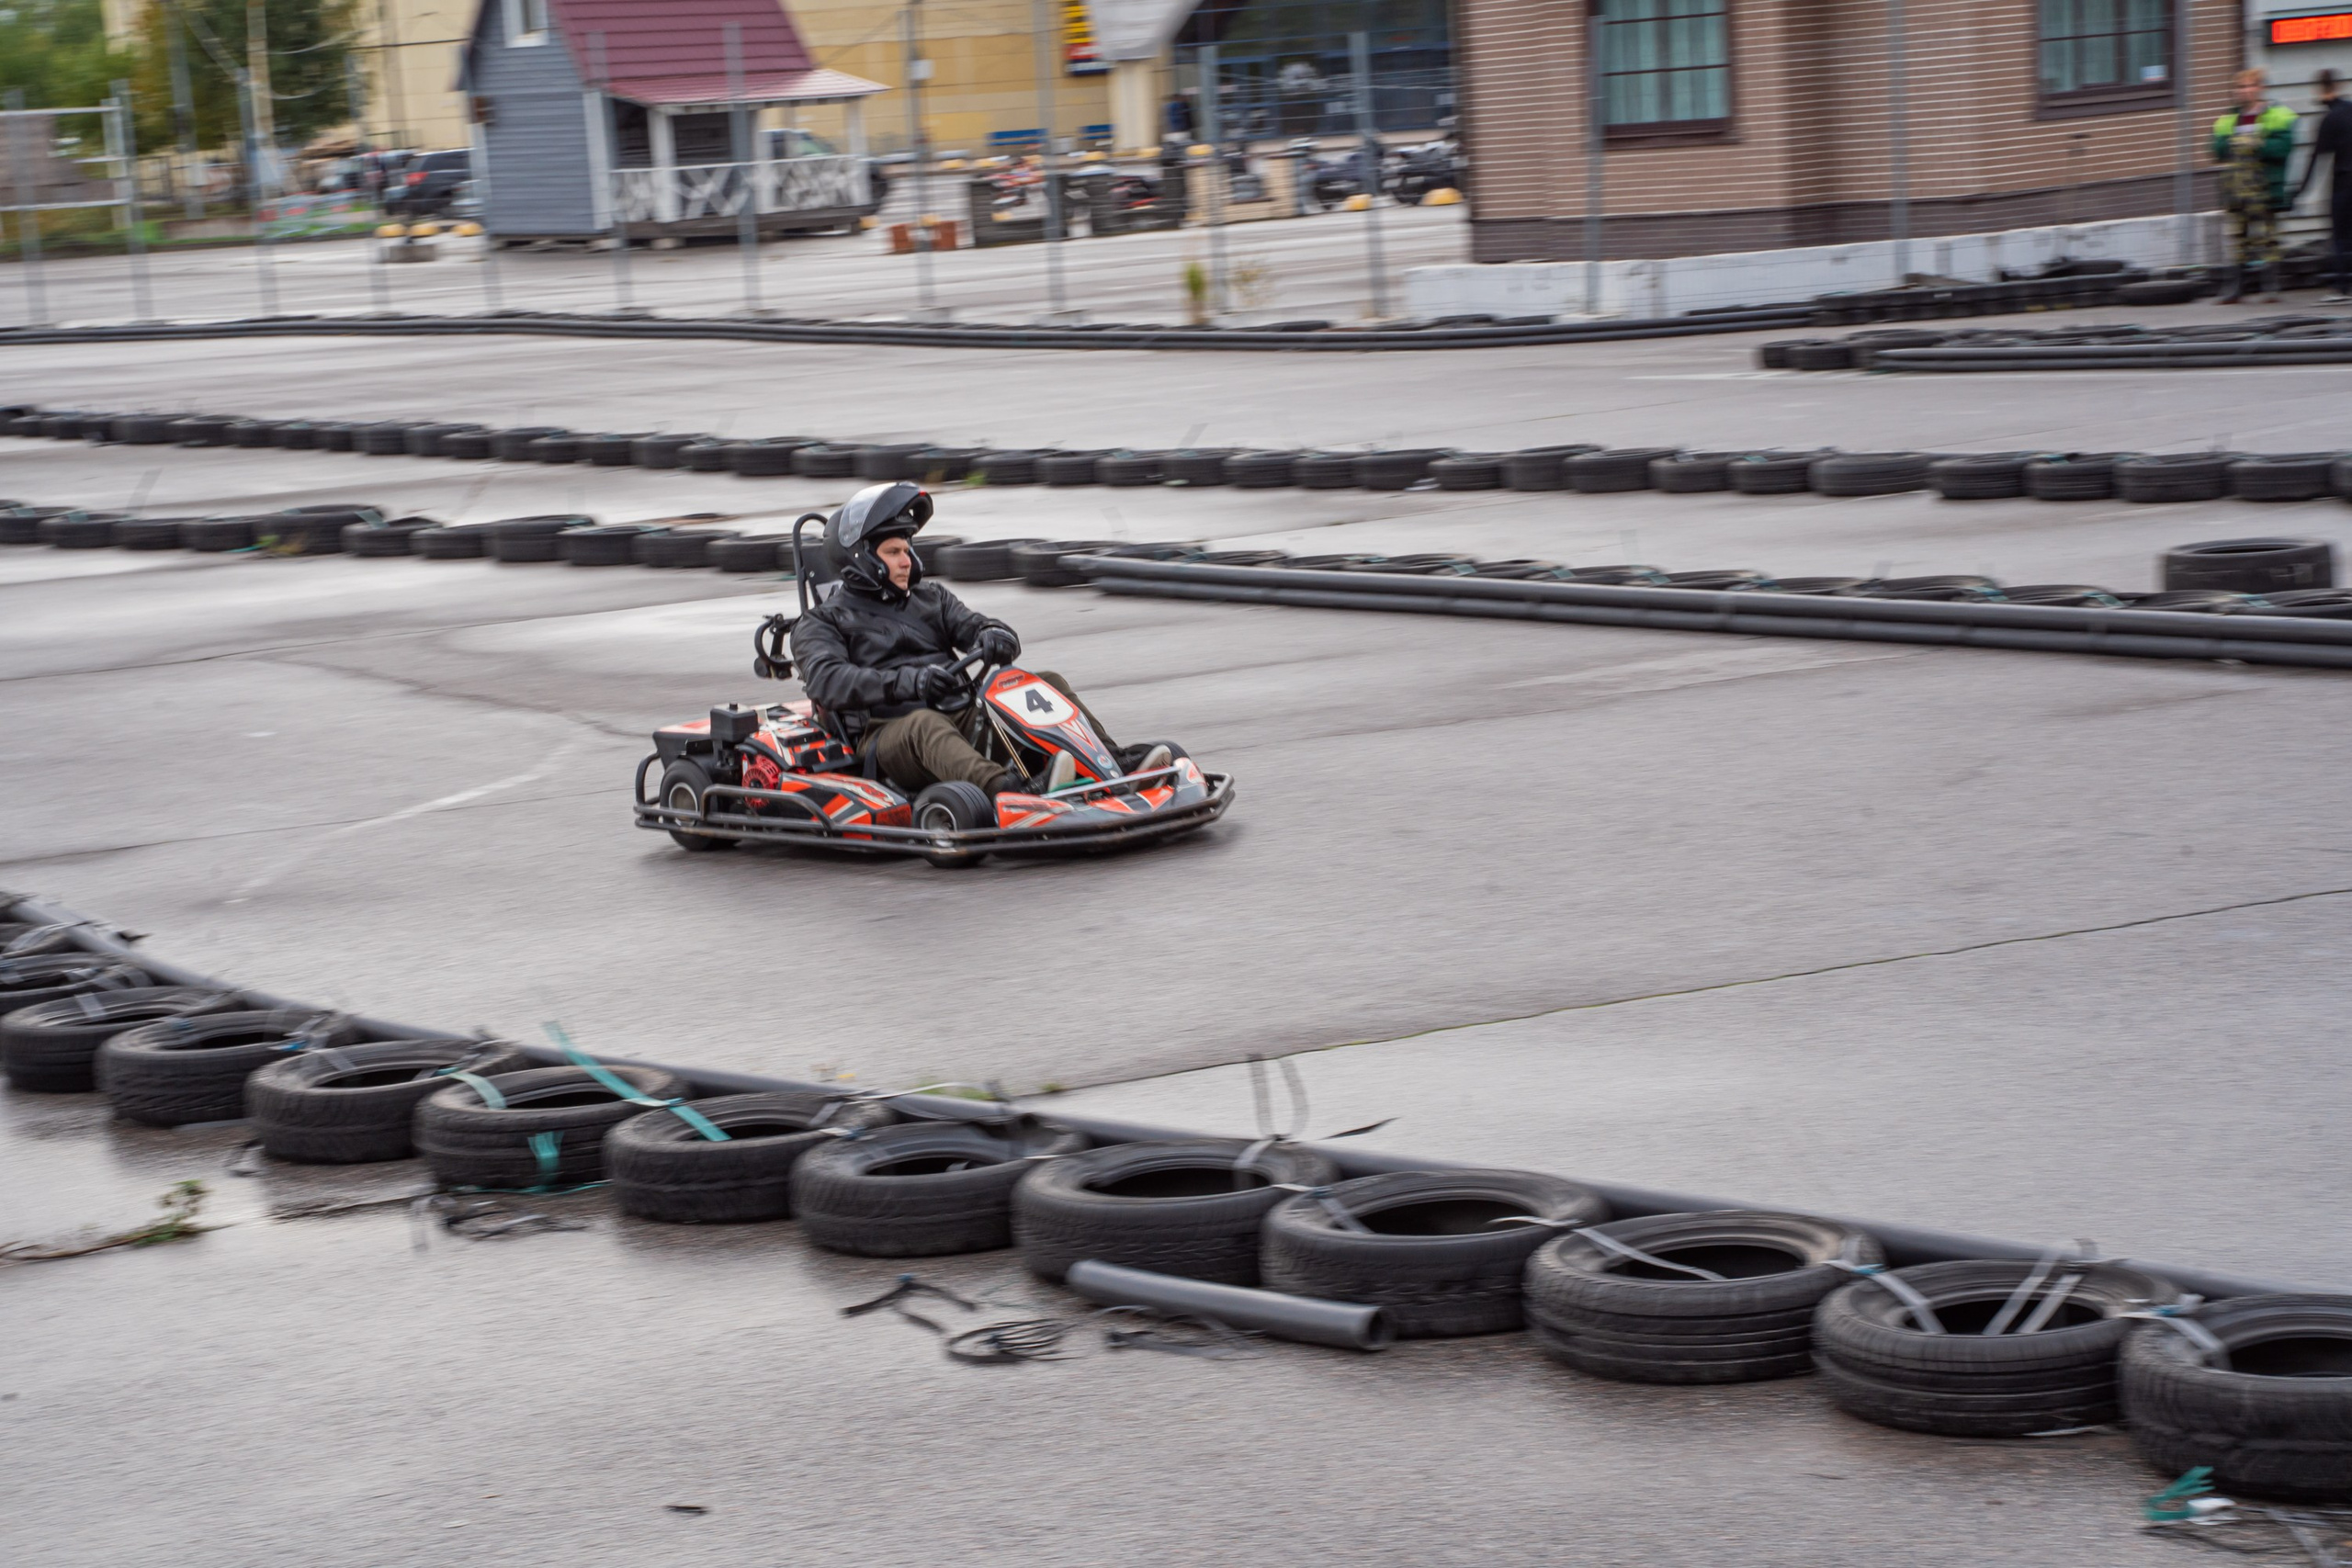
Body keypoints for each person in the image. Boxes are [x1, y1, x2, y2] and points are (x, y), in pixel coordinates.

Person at [788, 482, 1164, 800]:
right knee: (924, 722)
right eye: (893, 552)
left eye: (908, 551)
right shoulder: (821, 621)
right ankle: (1010, 792)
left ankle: (1111, 763)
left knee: (1045, 680)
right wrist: (911, 682)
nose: (907, 562)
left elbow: (976, 626)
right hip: (887, 737)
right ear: (862, 560)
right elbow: (828, 681)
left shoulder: (931, 598)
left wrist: (995, 635)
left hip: (960, 711)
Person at [2213, 69, 2300, 303]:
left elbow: (2282, 148)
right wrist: (2245, 142)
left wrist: (2252, 143)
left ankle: (2271, 287)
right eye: (2240, 87)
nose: (2244, 91)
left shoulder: (2277, 116)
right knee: (2237, 239)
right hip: (2236, 191)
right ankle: (2234, 290)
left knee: (2267, 238)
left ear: (2260, 88)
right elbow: (2217, 150)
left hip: (2263, 189)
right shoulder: (2228, 120)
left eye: (2249, 86)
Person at [2298, 68, 2352, 303]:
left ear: (2321, 90)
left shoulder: (2328, 120)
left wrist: (2300, 191)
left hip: (2343, 183)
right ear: (2337, 87)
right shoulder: (2350, 110)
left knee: (2340, 237)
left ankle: (2341, 288)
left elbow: (2316, 159)